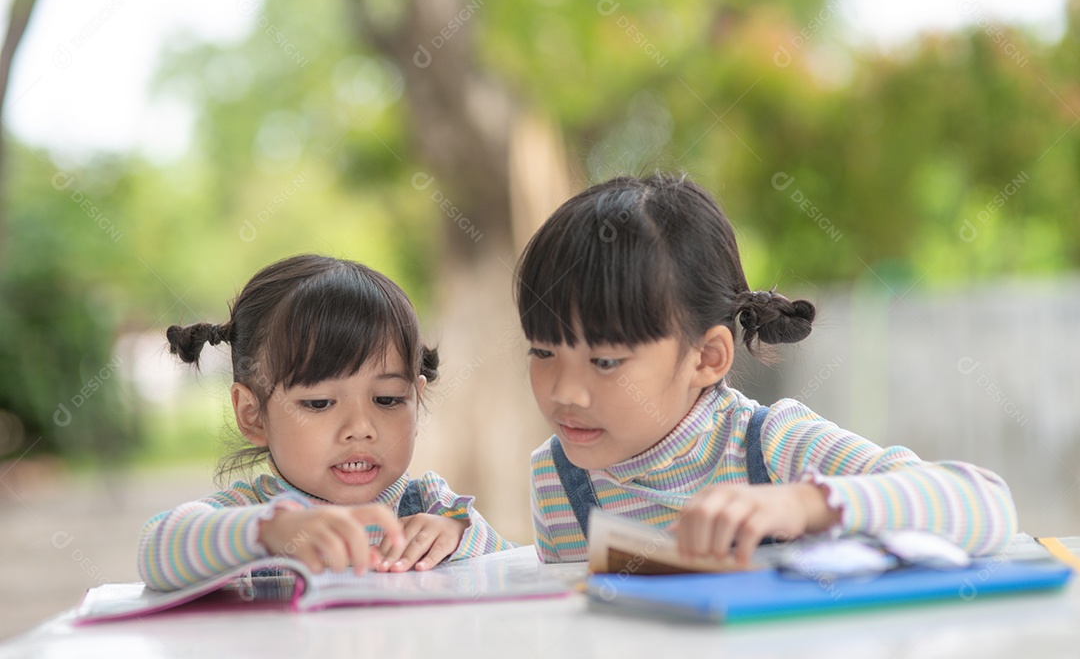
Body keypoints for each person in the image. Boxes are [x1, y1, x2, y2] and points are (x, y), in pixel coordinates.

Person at [516, 174, 1017, 564]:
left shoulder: (770, 446)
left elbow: (985, 505)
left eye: (604, 361)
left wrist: (800, 505)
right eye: (543, 351)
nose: (566, 392)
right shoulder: (556, 476)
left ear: (707, 358)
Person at [139, 254, 513, 591]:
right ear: (253, 416)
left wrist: (459, 535)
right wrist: (266, 532)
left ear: (415, 398)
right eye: (319, 403)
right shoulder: (244, 513)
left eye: (387, 400)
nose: (361, 427)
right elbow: (156, 550)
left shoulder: (432, 505)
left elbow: (516, 572)